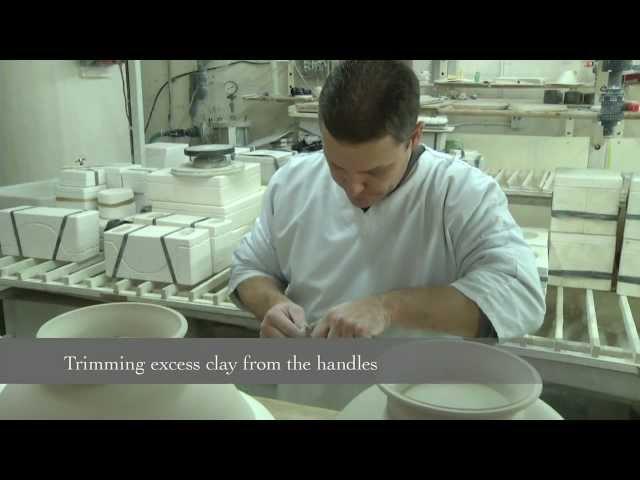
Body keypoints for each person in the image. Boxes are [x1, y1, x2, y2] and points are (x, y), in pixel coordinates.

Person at [229, 60, 545, 409]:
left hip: (422, 408)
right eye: (336, 165)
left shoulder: (459, 193)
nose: (353, 187)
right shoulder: (291, 184)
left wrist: (387, 308)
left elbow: (520, 296)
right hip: (311, 404)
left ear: (414, 137)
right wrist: (273, 305)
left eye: (374, 171)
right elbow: (249, 269)